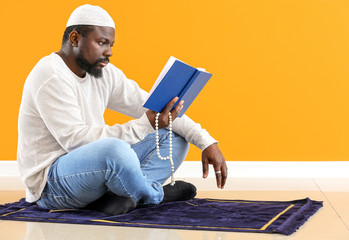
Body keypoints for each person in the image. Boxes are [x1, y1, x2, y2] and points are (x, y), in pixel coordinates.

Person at [17, 4, 227, 215]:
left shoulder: (102, 71)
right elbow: (75, 141)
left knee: (174, 137)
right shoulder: (50, 75)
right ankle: (155, 195)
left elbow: (154, 106)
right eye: (101, 43)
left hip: (93, 172)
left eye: (111, 45)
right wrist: (144, 125)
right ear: (74, 39)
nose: (108, 52)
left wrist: (206, 141)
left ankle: (119, 198)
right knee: (115, 151)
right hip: (53, 185)